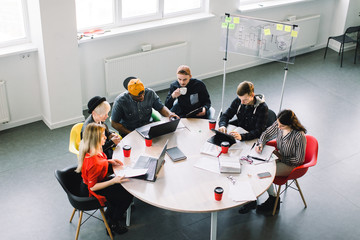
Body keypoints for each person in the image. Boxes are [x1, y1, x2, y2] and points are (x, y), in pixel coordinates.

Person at [238, 109, 307, 214]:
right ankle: (253, 199)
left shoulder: (299, 136)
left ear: (290, 124)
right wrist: (261, 143)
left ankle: (273, 199)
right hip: (277, 157)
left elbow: (299, 160)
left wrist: (280, 157)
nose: (278, 127)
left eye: (282, 126)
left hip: (291, 164)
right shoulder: (279, 124)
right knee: (254, 166)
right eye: (278, 124)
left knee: (263, 173)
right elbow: (266, 134)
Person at [76, 123, 133, 234]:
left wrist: (108, 162)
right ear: (96, 139)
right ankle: (113, 222)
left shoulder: (94, 148)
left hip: (96, 181)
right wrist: (113, 181)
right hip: (92, 190)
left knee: (122, 191)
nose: (106, 138)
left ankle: (113, 213)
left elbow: (99, 161)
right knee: (127, 195)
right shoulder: (94, 162)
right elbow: (92, 187)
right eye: (103, 136)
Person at [111, 77, 179, 136]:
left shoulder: (150, 93)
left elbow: (160, 107)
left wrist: (170, 114)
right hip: (129, 131)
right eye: (138, 96)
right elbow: (114, 123)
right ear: (130, 94)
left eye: (143, 93)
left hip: (147, 127)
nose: (142, 97)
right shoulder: (120, 101)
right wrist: (131, 133)